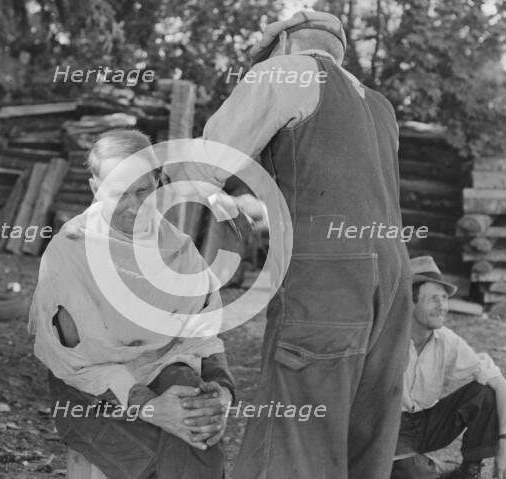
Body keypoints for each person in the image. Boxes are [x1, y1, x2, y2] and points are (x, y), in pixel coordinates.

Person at [164, 9, 413, 478]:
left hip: (329, 272)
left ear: (283, 44)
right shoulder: (380, 106)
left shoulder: (284, 71)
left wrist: (152, 199)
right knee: (366, 432)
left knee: (298, 428)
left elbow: (211, 160)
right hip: (394, 277)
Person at [28, 129, 235, 479]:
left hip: (164, 374)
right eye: (118, 193)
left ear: (159, 183)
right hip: (91, 395)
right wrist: (151, 407)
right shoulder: (71, 252)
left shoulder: (179, 249)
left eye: (143, 190)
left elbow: (202, 334)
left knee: (196, 419)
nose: (134, 207)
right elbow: (80, 364)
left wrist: (221, 394)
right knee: (176, 455)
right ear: (95, 188)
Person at [391, 256, 506, 479]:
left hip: (426, 424)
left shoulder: (446, 340)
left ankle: (468, 471)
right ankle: (430, 469)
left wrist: (504, 442)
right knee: (411, 473)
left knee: (486, 393)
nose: (443, 306)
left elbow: (501, 384)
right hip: (388, 427)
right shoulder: (389, 340)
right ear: (410, 302)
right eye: (433, 299)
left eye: (445, 298)